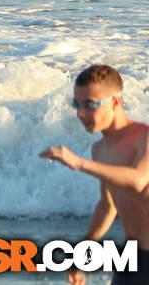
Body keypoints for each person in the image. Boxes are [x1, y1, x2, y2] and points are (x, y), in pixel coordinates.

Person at [40, 65, 149, 285]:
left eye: (90, 105)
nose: (80, 113)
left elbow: (138, 179)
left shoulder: (144, 138)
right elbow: (108, 205)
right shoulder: (99, 150)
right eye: (77, 104)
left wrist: (79, 163)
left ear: (116, 102)